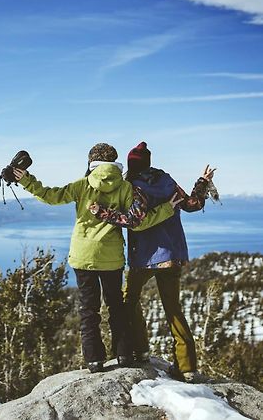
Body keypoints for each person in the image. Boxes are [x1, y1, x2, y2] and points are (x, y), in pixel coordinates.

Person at [12, 143, 180, 373]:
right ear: (114, 162)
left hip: (83, 256)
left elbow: (50, 196)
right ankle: (123, 355)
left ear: (91, 162)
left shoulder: (82, 185)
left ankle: (94, 360)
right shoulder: (125, 187)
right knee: (116, 306)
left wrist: (26, 180)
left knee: (88, 309)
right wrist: (167, 209)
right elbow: (138, 222)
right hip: (111, 259)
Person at [90, 142, 215, 382]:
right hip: (172, 255)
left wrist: (102, 212)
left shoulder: (131, 186)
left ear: (130, 164)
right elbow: (192, 204)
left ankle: (141, 349)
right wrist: (202, 182)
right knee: (173, 309)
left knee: (129, 300)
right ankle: (186, 367)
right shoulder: (166, 180)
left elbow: (133, 219)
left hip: (144, 257)